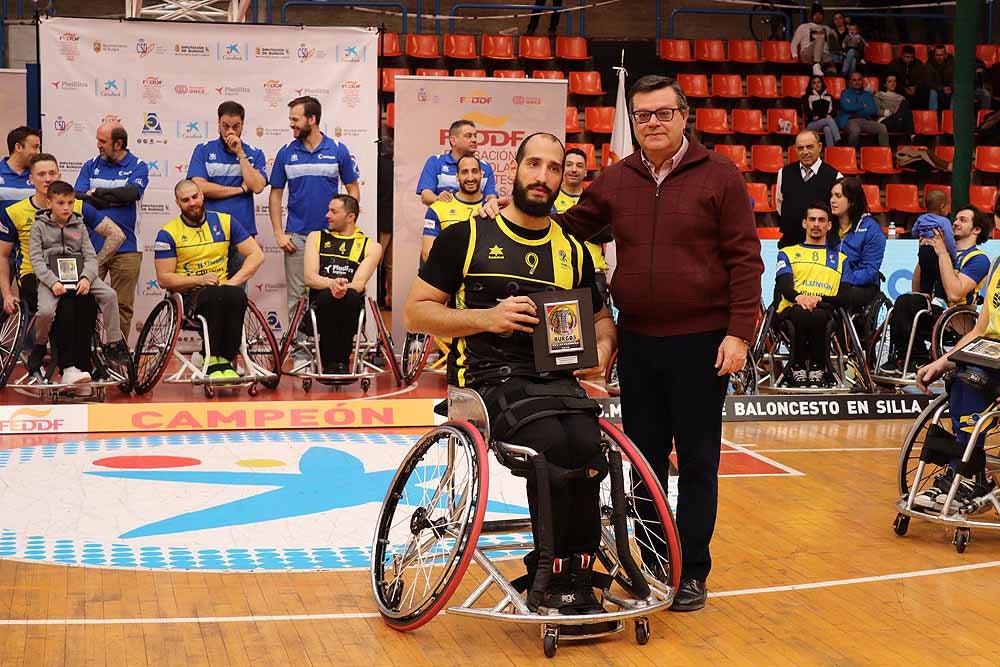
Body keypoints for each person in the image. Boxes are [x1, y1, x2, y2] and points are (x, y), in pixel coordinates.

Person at [481, 75, 764, 611]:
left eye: (662, 113)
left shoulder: (720, 175)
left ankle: (691, 572)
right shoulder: (617, 178)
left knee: (700, 462)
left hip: (703, 343)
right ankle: (657, 562)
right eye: (642, 116)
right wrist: (507, 220)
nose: (651, 123)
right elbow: (566, 227)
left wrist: (739, 333)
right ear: (632, 122)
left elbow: (746, 260)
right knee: (644, 462)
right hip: (639, 343)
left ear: (684, 116)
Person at [406, 132, 615, 616]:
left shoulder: (576, 251)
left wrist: (600, 351)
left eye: (554, 169)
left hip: (556, 380)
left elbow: (602, 322)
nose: (543, 177)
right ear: (516, 169)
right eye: (534, 165)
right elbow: (417, 313)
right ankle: (547, 569)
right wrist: (487, 318)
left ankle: (577, 568)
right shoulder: (467, 237)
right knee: (550, 442)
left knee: (588, 442)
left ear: (563, 179)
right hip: (488, 380)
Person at [0, 153, 127, 377]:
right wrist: (7, 293)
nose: (47, 178)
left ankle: (86, 366)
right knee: (66, 306)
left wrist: (90, 272)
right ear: (31, 179)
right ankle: (67, 366)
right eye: (41, 174)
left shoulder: (76, 207)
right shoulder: (15, 212)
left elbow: (116, 235)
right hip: (35, 274)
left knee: (87, 302)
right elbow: (3, 256)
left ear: (59, 175)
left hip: (75, 272)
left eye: (52, 173)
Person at [915, 234, 1000, 512]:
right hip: (992, 356)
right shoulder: (997, 266)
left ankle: (964, 473)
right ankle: (964, 473)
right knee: (961, 375)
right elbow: (978, 331)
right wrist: (941, 363)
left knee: (973, 376)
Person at [154, 180, 264, 379]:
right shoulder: (168, 232)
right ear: (178, 203)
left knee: (236, 294)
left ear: (202, 196)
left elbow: (257, 255)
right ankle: (212, 359)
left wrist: (233, 281)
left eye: (195, 197)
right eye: (185, 200)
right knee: (215, 295)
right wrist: (199, 279)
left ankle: (225, 359)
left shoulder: (225, 221)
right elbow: (164, 278)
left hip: (222, 288)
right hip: (190, 295)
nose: (192, 203)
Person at [269, 96, 360, 324]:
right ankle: (301, 353)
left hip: (332, 237)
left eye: (295, 119)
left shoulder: (338, 149)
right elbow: (275, 194)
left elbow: (353, 190)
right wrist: (279, 233)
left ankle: (329, 350)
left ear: (312, 119)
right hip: (297, 237)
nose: (291, 124)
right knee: (297, 297)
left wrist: (347, 226)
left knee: (334, 294)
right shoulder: (286, 152)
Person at [883, 206, 992, 374]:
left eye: (963, 220)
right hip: (932, 310)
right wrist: (924, 254)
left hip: (954, 320)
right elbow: (917, 289)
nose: (955, 223)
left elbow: (955, 294)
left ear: (976, 229)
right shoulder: (942, 250)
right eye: (955, 219)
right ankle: (904, 357)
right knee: (904, 302)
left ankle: (919, 358)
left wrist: (942, 255)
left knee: (908, 303)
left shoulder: (978, 259)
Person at [26, 181, 108, 390]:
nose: (66, 207)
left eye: (70, 203)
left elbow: (90, 257)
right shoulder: (38, 227)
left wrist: (87, 278)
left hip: (78, 277)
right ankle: (40, 345)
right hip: (50, 278)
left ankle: (106, 350)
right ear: (49, 202)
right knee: (47, 310)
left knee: (97, 300)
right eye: (61, 203)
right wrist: (52, 282)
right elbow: (35, 261)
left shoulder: (79, 225)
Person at [75, 123, 148, 337]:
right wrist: (112, 199)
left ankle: (116, 356)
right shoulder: (90, 165)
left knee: (122, 306)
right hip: (91, 248)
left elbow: (130, 194)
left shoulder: (138, 166)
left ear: (118, 144)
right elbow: (79, 198)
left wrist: (98, 193)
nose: (98, 145)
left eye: (102, 142)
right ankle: (86, 356)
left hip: (127, 248)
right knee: (83, 302)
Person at [186, 101, 268, 282]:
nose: (230, 131)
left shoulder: (255, 154)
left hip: (242, 233)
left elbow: (257, 186)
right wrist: (239, 189)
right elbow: (199, 187)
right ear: (218, 123)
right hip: (208, 232)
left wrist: (240, 153)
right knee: (208, 287)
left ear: (242, 126)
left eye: (235, 126)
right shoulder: (203, 150)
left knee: (236, 292)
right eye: (225, 126)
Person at [303, 194, 381, 374]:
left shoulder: (371, 246)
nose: (327, 215)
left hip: (350, 304)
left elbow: (359, 283)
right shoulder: (316, 237)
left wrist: (340, 287)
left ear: (350, 217)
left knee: (350, 295)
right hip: (320, 303)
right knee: (329, 296)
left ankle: (340, 362)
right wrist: (332, 284)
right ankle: (331, 363)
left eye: (333, 211)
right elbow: (309, 277)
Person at [775, 203, 845, 387]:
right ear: (804, 223)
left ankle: (818, 367)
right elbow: (784, 285)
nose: (816, 224)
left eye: (821, 220)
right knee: (801, 312)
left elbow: (843, 295)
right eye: (812, 219)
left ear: (829, 225)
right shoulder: (787, 253)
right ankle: (796, 366)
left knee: (820, 314)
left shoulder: (840, 259)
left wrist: (819, 299)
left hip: (824, 308)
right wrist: (800, 297)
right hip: (793, 307)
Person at [552, 147, 612, 306]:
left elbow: (607, 233)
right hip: (559, 272)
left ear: (586, 171)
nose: (574, 169)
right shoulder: (550, 199)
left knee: (598, 327)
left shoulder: (596, 200)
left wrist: (567, 225)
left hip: (594, 273)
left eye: (579, 166)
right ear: (562, 169)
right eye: (569, 164)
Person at [776, 130, 841, 248]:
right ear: (795, 149)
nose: (805, 152)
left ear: (820, 147)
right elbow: (780, 204)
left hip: (823, 246)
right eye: (800, 148)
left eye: (809, 147)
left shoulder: (835, 176)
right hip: (789, 244)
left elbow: (838, 212)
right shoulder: (783, 173)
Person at [828, 177, 886, 312]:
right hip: (829, 283)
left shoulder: (870, 229)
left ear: (852, 201)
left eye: (838, 196)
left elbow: (869, 270)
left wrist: (843, 281)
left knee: (840, 296)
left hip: (861, 286)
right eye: (831, 196)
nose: (832, 200)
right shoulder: (827, 225)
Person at [416, 120, 498, 207]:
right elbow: (425, 196)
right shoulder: (435, 162)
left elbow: (491, 196)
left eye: (475, 136)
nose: (474, 140)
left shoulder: (485, 167)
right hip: (446, 218)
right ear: (453, 140)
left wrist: (492, 201)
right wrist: (439, 199)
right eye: (468, 136)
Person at [422, 154, 483, 262]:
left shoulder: (492, 209)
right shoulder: (437, 208)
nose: (470, 177)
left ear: (481, 174)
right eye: (464, 172)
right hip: (448, 277)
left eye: (474, 171)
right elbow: (428, 254)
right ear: (457, 176)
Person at [912, 189, 956, 295]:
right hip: (936, 253)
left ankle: (924, 299)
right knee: (941, 277)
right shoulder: (944, 221)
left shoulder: (921, 219)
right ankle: (939, 299)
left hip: (923, 252)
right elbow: (949, 240)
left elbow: (914, 232)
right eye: (947, 206)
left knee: (925, 277)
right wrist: (953, 256)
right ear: (942, 207)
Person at [838, 71, 889, 147]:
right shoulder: (845, 93)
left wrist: (854, 109)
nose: (857, 82)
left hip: (865, 120)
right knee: (855, 130)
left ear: (862, 81)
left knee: (882, 127)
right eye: (854, 80)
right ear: (850, 82)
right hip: (850, 120)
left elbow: (873, 110)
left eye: (859, 80)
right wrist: (862, 106)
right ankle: (850, 153)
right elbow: (846, 107)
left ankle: (885, 154)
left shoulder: (867, 94)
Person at [789, 4, 836, 76]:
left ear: (823, 16)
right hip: (807, 53)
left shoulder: (827, 28)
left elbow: (836, 33)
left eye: (820, 14)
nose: (818, 16)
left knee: (833, 69)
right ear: (812, 16)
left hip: (823, 55)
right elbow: (794, 43)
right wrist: (795, 56)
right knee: (820, 39)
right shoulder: (803, 26)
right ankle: (817, 65)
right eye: (815, 14)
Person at [0, 126, 41, 206]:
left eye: (39, 147)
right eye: (35, 147)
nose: (38, 152)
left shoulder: (40, 174)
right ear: (18, 147)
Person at [801, 77, 841, 149]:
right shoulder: (806, 97)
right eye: (814, 83)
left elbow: (834, 112)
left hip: (825, 123)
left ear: (822, 84)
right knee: (829, 120)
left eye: (818, 82)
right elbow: (808, 114)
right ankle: (839, 140)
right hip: (812, 125)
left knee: (827, 129)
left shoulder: (829, 97)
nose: (817, 85)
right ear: (811, 85)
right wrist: (824, 115)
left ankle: (831, 150)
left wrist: (819, 115)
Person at [887, 45, 929, 110]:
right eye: (907, 57)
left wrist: (915, 87)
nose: (910, 59)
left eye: (912, 57)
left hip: (915, 91)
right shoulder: (894, 65)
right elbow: (891, 81)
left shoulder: (919, 64)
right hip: (900, 90)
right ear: (902, 56)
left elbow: (923, 80)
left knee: (924, 92)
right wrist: (904, 89)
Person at [874, 74, 916, 138]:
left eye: (894, 81)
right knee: (903, 109)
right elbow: (875, 111)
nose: (892, 83)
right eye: (889, 81)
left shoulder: (901, 97)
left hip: (899, 122)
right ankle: (912, 135)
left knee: (905, 106)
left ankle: (912, 135)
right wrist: (888, 112)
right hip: (884, 123)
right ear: (885, 84)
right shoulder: (879, 95)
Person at [926, 44, 955, 113]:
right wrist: (942, 88)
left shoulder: (953, 63)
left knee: (957, 93)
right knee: (933, 92)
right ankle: (933, 118)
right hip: (938, 90)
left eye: (941, 55)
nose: (939, 57)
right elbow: (928, 82)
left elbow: (958, 79)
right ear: (934, 55)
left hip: (951, 90)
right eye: (937, 55)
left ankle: (952, 118)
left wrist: (951, 87)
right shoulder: (929, 64)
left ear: (945, 55)